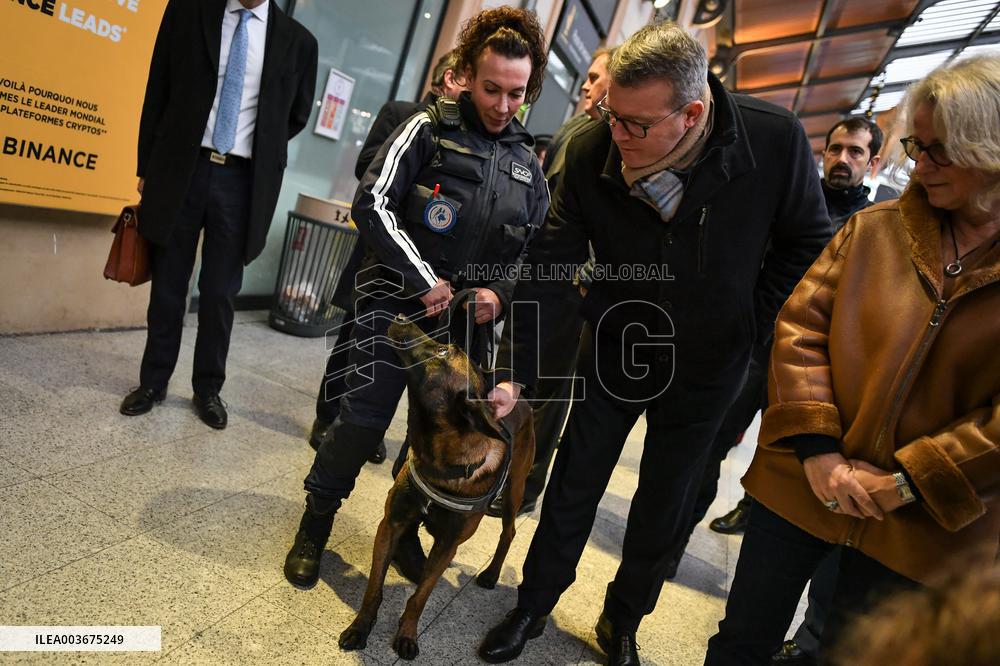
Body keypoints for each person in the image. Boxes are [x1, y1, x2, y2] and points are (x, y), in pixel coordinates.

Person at [479, 21, 831, 665]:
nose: (616, 134)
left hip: (709, 363)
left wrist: (751, 323)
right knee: (573, 482)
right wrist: (518, 374)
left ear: (691, 113)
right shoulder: (592, 147)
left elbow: (807, 240)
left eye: (635, 125)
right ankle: (533, 604)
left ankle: (622, 622)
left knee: (665, 503)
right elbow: (551, 262)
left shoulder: (772, 142)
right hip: (616, 341)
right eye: (612, 113)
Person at [705, 54, 1000, 665]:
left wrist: (909, 480)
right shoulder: (874, 230)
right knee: (742, 640)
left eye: (941, 150)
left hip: (919, 524)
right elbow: (801, 328)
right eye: (918, 144)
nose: (920, 164)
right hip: (802, 486)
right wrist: (820, 450)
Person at [282, 6, 550, 590]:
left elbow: (529, 256)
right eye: (491, 89)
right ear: (469, 74)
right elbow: (372, 202)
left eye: (517, 93)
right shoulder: (426, 128)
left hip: (465, 332)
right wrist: (423, 276)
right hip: (395, 306)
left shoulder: (530, 166)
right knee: (360, 422)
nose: (503, 105)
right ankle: (314, 526)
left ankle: (402, 533)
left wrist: (499, 296)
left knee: (432, 442)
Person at [120, 0, 318, 429]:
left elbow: (296, 115)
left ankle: (208, 389)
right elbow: (159, 87)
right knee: (169, 285)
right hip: (182, 170)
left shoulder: (299, 43)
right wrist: (145, 167)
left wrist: (257, 144)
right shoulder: (190, 12)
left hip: (243, 182)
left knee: (220, 292)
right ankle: (153, 383)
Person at [309, 49, 464, 465]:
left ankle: (366, 429)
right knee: (352, 339)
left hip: (429, 266)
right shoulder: (404, 114)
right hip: (382, 251)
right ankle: (328, 417)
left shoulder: (468, 138)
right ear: (450, 78)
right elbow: (367, 165)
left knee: (397, 358)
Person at [487, 46, 613, 519]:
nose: (586, 83)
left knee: (550, 393)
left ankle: (525, 485)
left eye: (596, 76)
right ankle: (501, 470)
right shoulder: (576, 130)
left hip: (573, 286)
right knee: (517, 376)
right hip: (544, 274)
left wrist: (584, 279)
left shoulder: (610, 139)